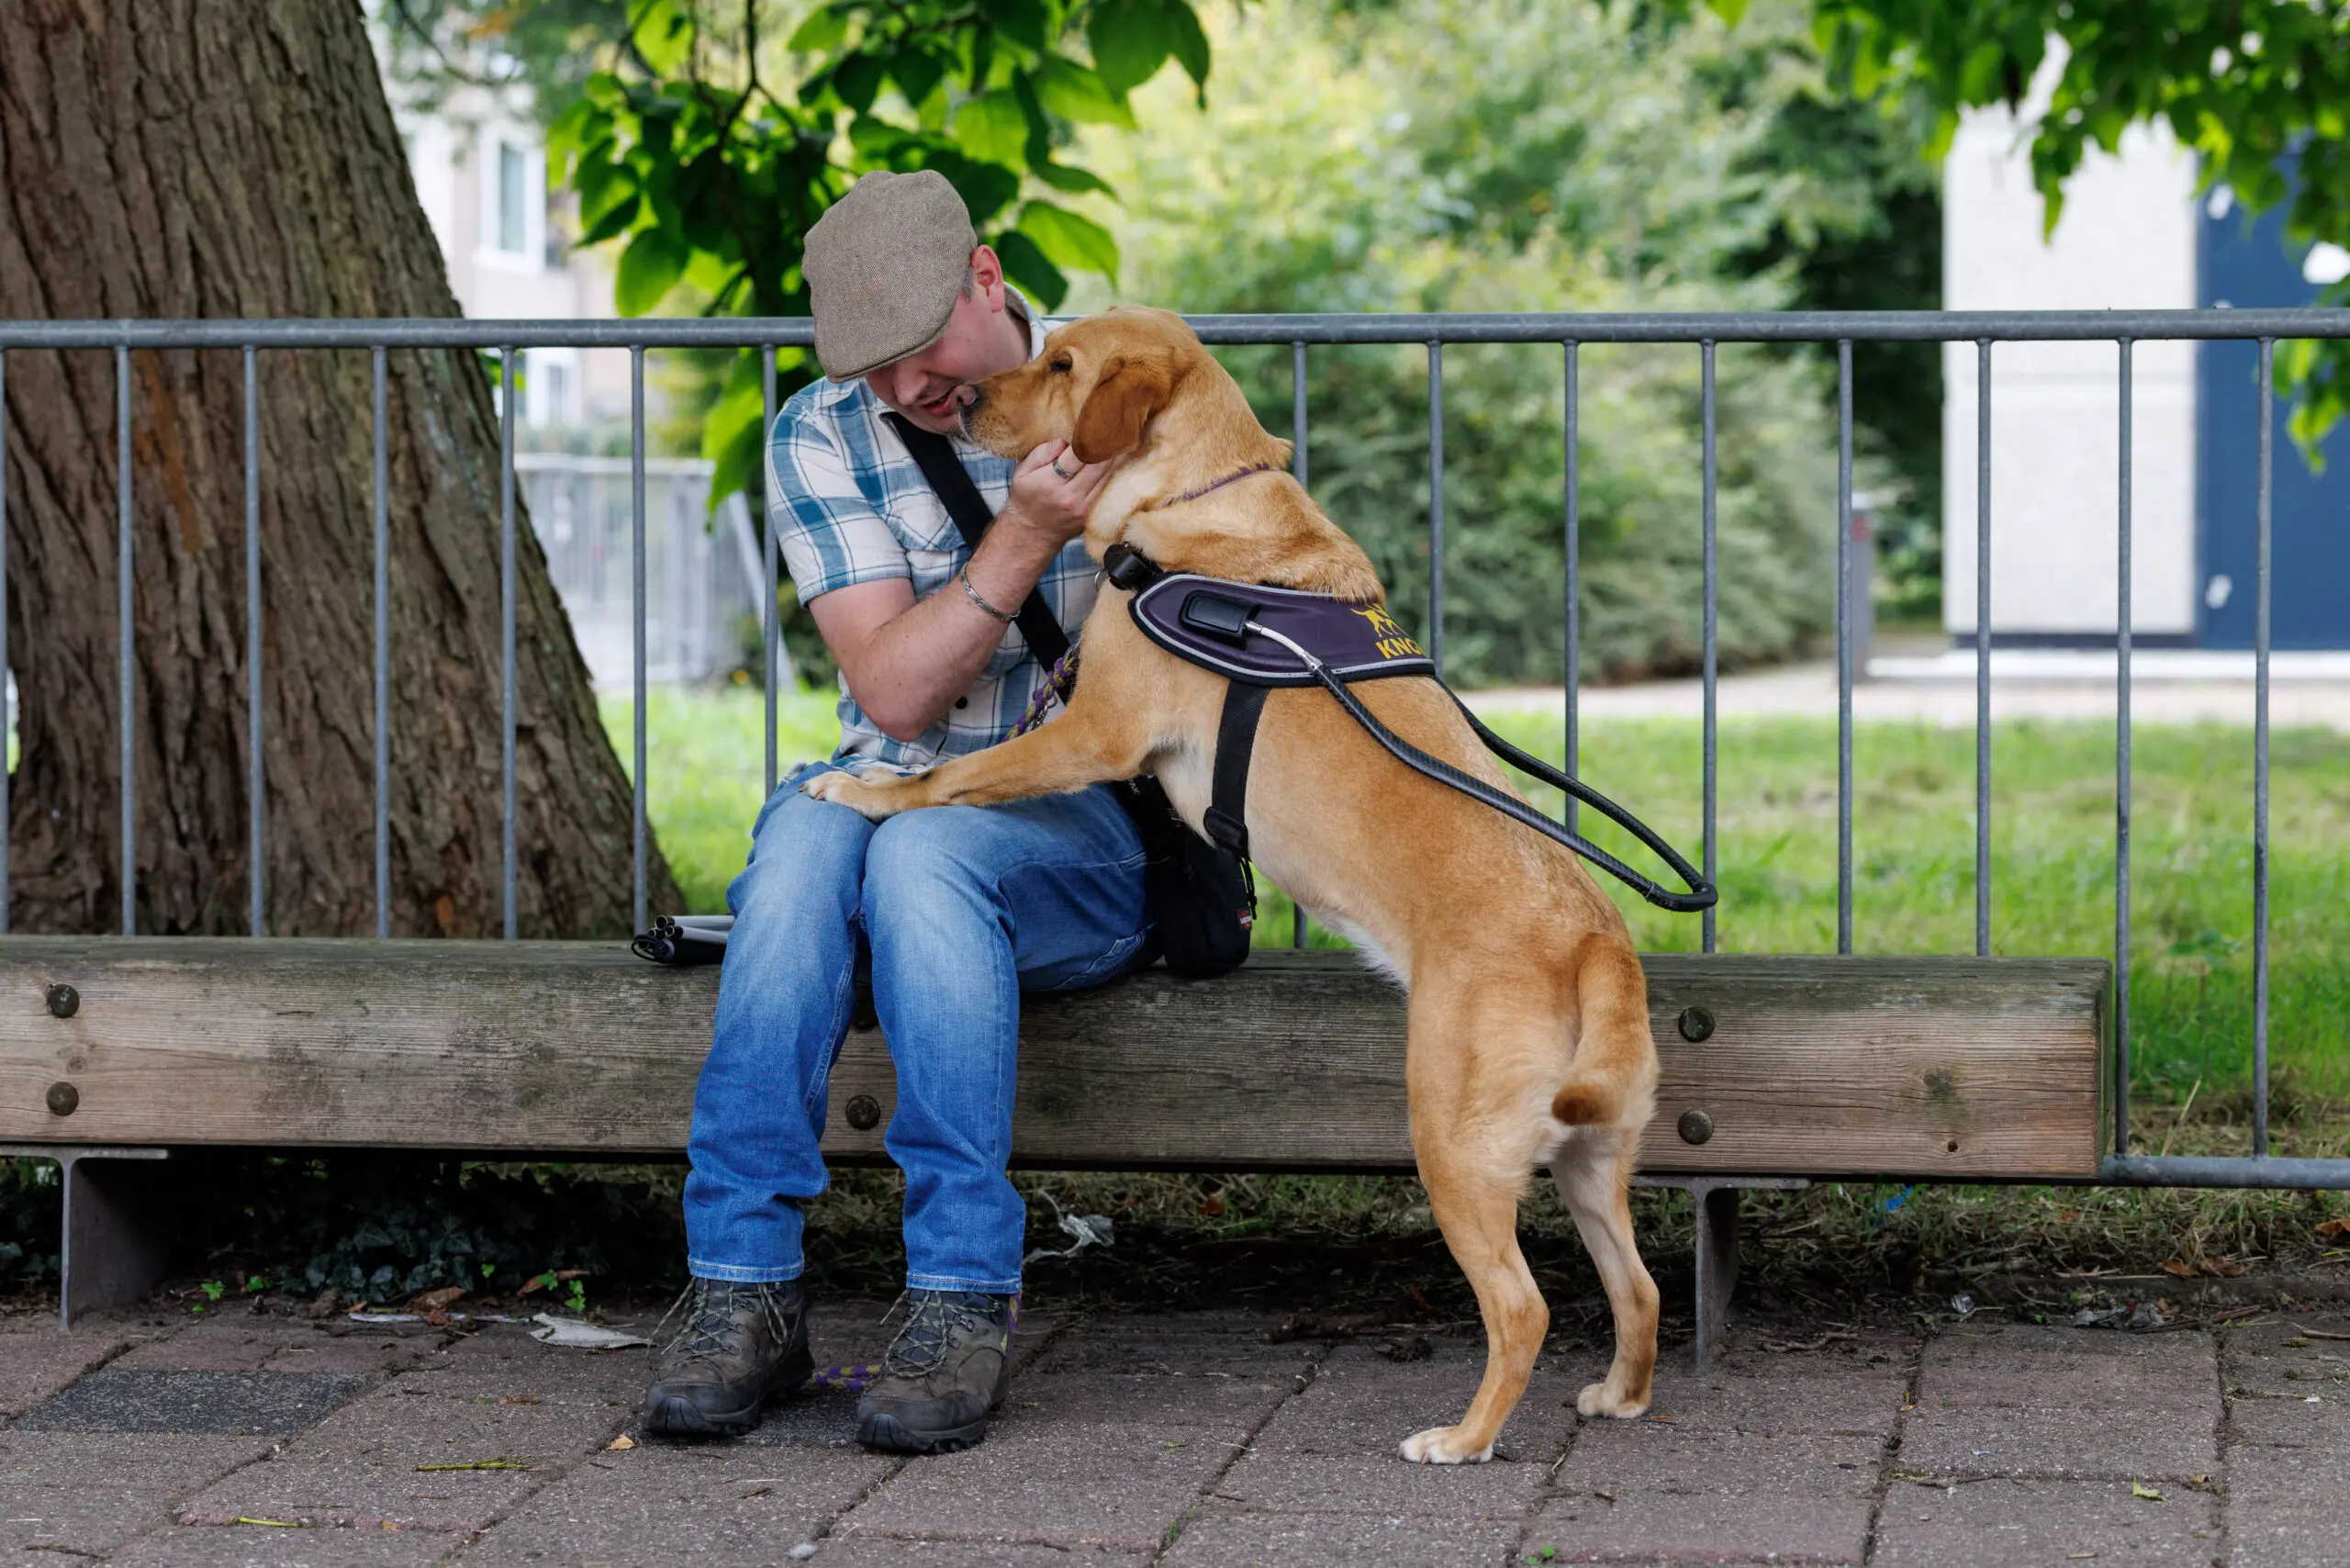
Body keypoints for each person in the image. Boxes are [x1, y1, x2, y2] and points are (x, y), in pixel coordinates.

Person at [640, 171, 1151, 1455]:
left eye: (921, 350)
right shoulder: (824, 434)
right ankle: (743, 1286)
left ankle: (962, 1294)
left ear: (988, 279)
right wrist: (1026, 538)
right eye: (872, 366)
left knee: (922, 852)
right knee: (803, 844)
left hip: (1091, 825)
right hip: (906, 780)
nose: (904, 388)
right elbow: (897, 692)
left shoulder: (1124, 387)